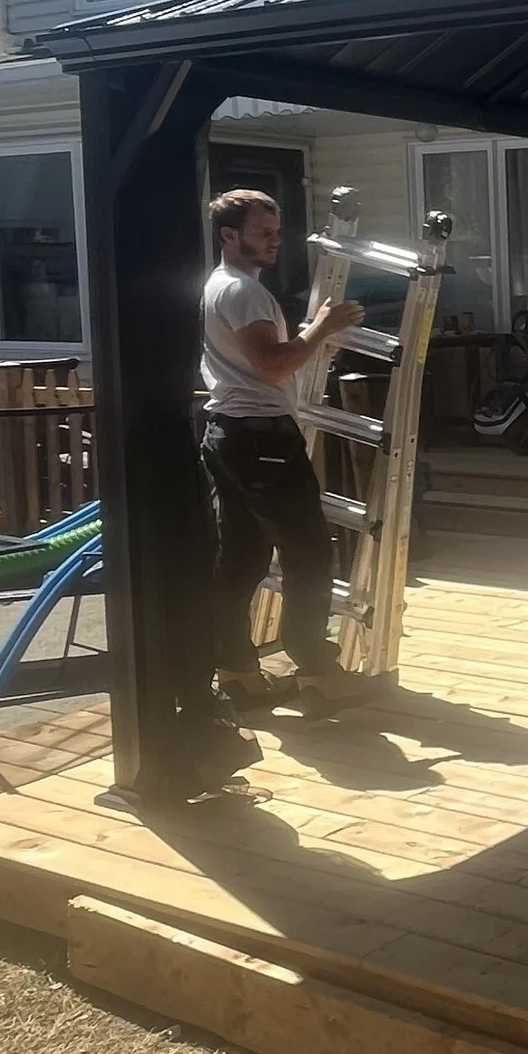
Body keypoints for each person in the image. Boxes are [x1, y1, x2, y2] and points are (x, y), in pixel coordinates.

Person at [200, 187, 368, 709]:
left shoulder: (224, 286)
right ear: (230, 235)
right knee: (309, 555)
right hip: (261, 436)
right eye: (261, 233)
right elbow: (272, 367)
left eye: (276, 232)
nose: (274, 242)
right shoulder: (242, 292)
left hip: (231, 433)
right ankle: (315, 670)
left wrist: (315, 336)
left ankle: (235, 670)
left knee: (244, 557)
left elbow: (267, 359)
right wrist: (322, 326)